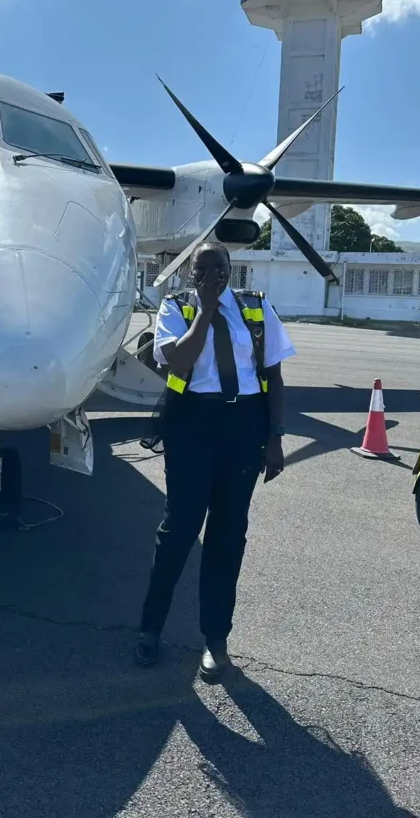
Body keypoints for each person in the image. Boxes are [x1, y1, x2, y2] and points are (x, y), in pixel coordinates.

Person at [135, 241, 296, 680]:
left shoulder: (256, 309)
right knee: (178, 531)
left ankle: (216, 641)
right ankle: (150, 629)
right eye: (202, 269)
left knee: (228, 537)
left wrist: (274, 438)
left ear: (232, 270)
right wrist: (206, 310)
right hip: (192, 426)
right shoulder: (175, 308)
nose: (212, 276)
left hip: (244, 428)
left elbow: (274, 376)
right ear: (190, 275)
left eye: (220, 268)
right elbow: (179, 360)